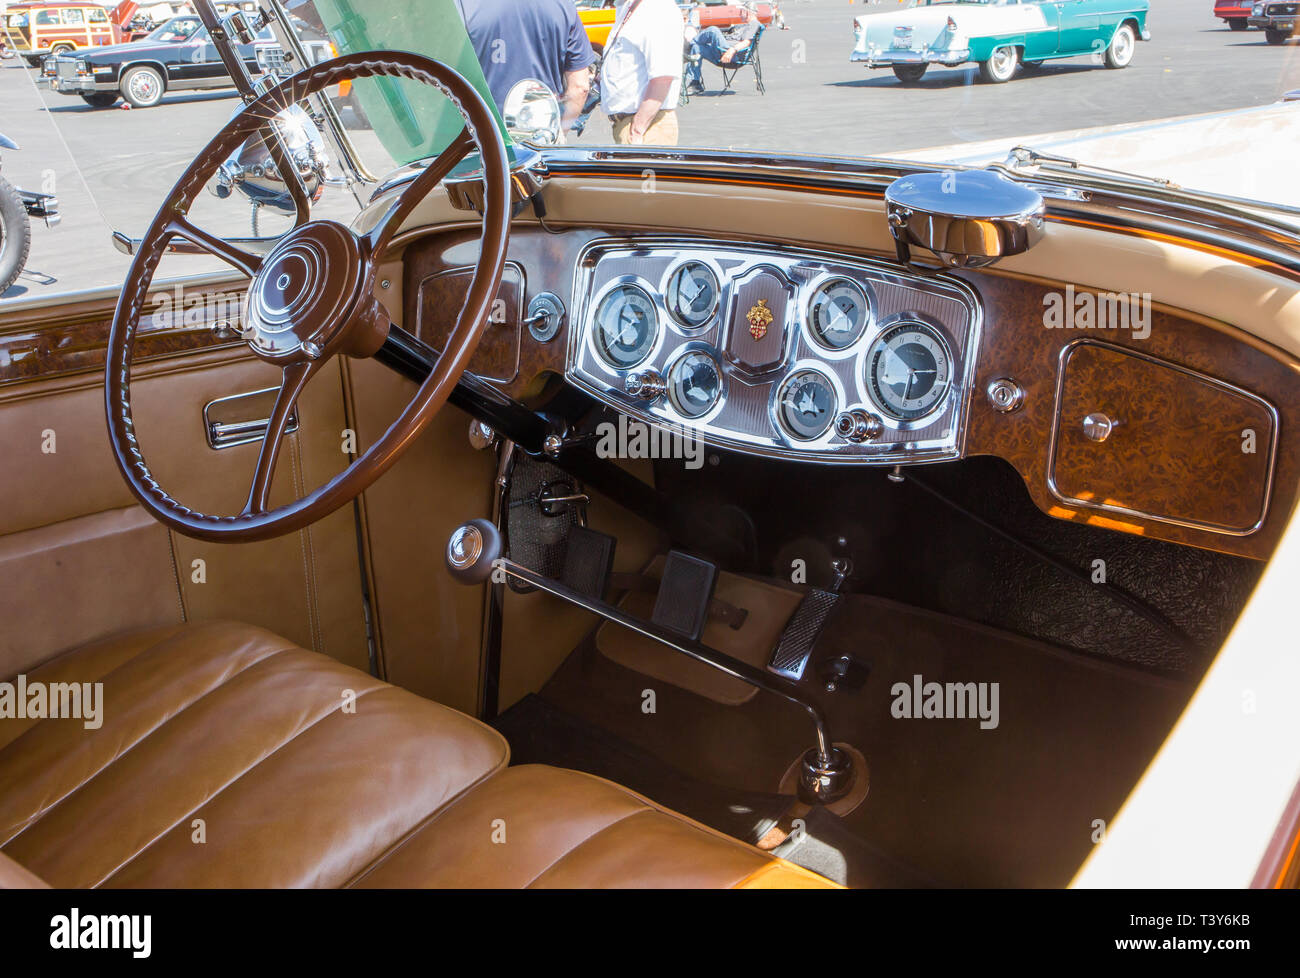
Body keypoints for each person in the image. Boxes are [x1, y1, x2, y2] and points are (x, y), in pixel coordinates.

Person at [457, 0, 596, 128]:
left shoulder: (463, 4)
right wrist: (560, 131)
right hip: (541, 133)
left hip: (482, 135)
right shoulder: (563, 5)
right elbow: (579, 87)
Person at [600, 0, 684, 146]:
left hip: (648, 127)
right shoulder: (629, 7)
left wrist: (637, 130)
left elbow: (663, 77)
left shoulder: (657, 9)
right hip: (633, 124)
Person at [684, 2, 760, 95]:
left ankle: (688, 45)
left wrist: (732, 51)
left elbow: (747, 42)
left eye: (741, 11)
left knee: (713, 30)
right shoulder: (743, 25)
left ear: (747, 12)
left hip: (731, 55)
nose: (739, 13)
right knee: (697, 48)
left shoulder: (754, 24)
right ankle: (695, 84)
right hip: (722, 53)